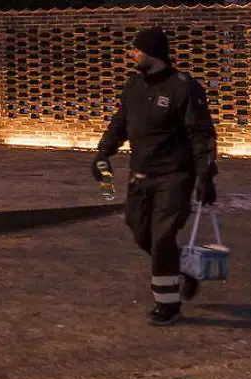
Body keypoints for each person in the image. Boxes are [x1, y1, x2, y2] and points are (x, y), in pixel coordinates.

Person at [93, 27, 217, 326]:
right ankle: (180, 272)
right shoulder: (134, 86)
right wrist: (102, 153)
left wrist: (205, 175)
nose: (131, 54)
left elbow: (200, 135)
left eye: (136, 49)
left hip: (174, 177)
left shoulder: (183, 88)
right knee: (140, 232)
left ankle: (168, 305)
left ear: (153, 53)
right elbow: (120, 124)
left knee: (162, 236)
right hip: (140, 176)